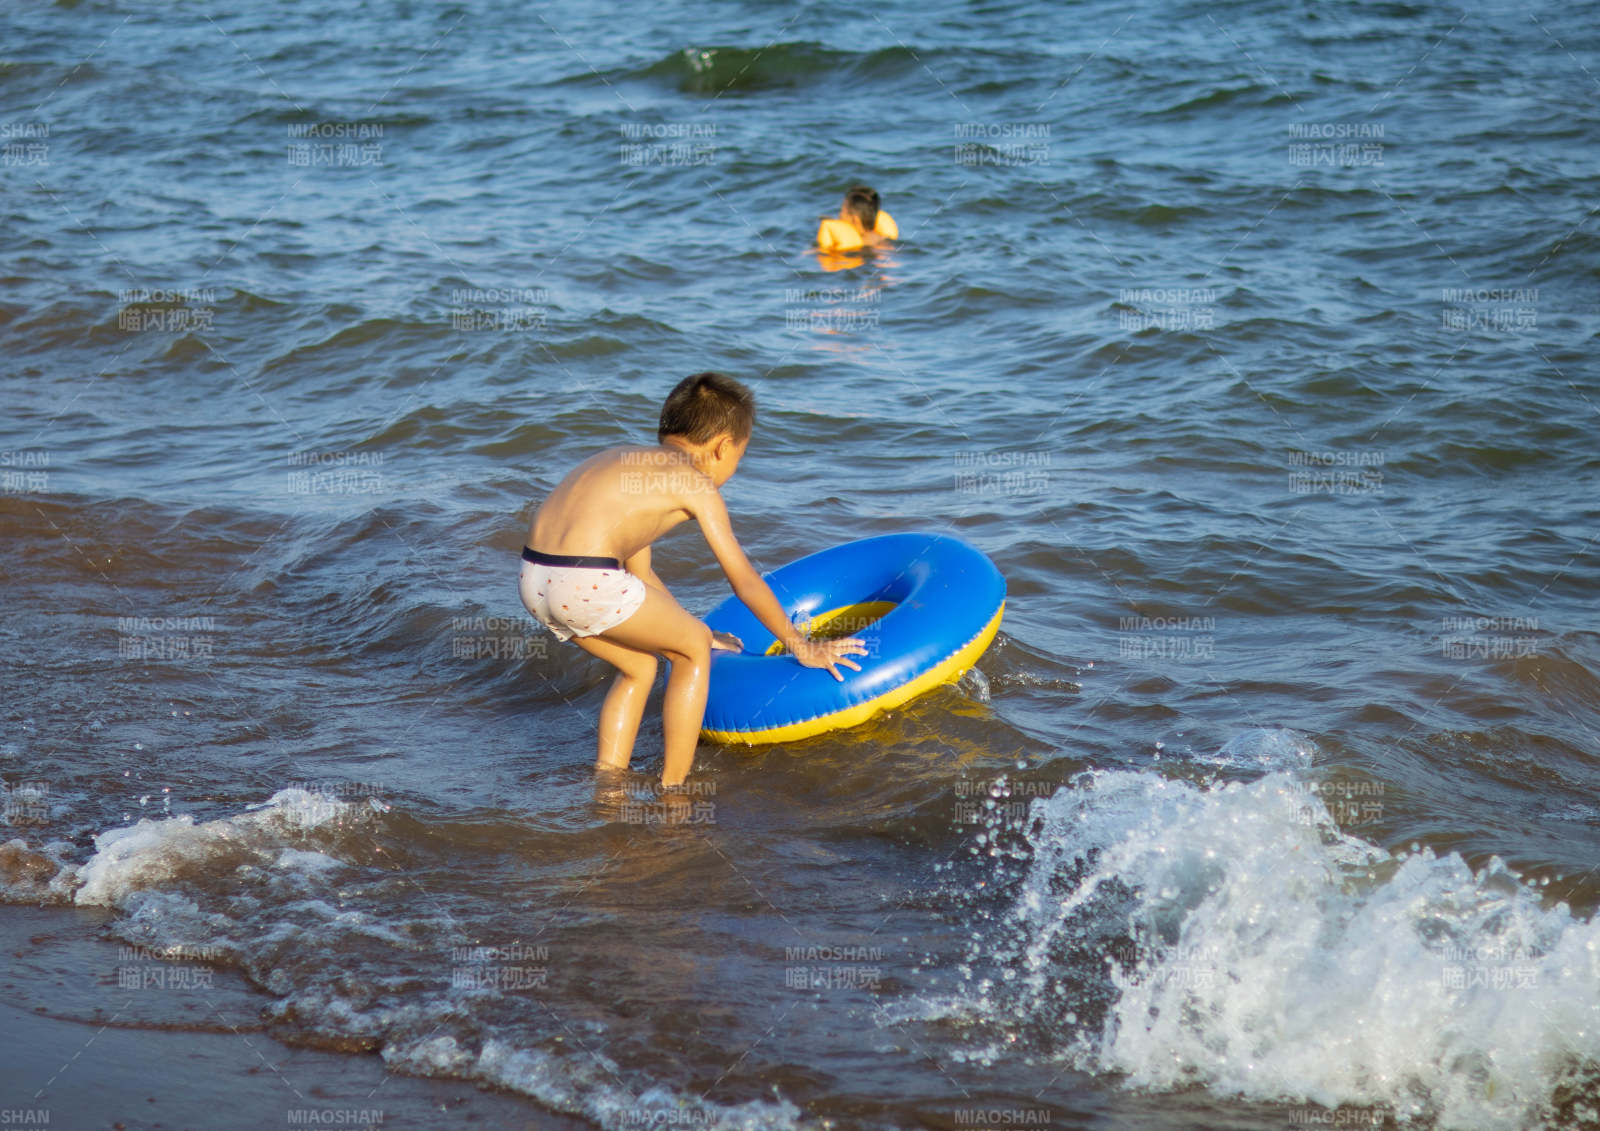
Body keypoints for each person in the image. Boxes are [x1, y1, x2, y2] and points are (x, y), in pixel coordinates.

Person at [519, 373, 867, 787]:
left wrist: (693, 627)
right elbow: (745, 580)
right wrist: (801, 646)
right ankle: (675, 788)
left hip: (535, 579)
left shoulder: (622, 462)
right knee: (691, 652)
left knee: (639, 667)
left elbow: (639, 575)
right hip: (586, 579)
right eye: (741, 454)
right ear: (723, 447)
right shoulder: (696, 483)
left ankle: (608, 784)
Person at [816, 185, 899, 253]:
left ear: (855, 219)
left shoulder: (856, 246)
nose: (839, 216)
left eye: (842, 211)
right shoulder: (884, 239)